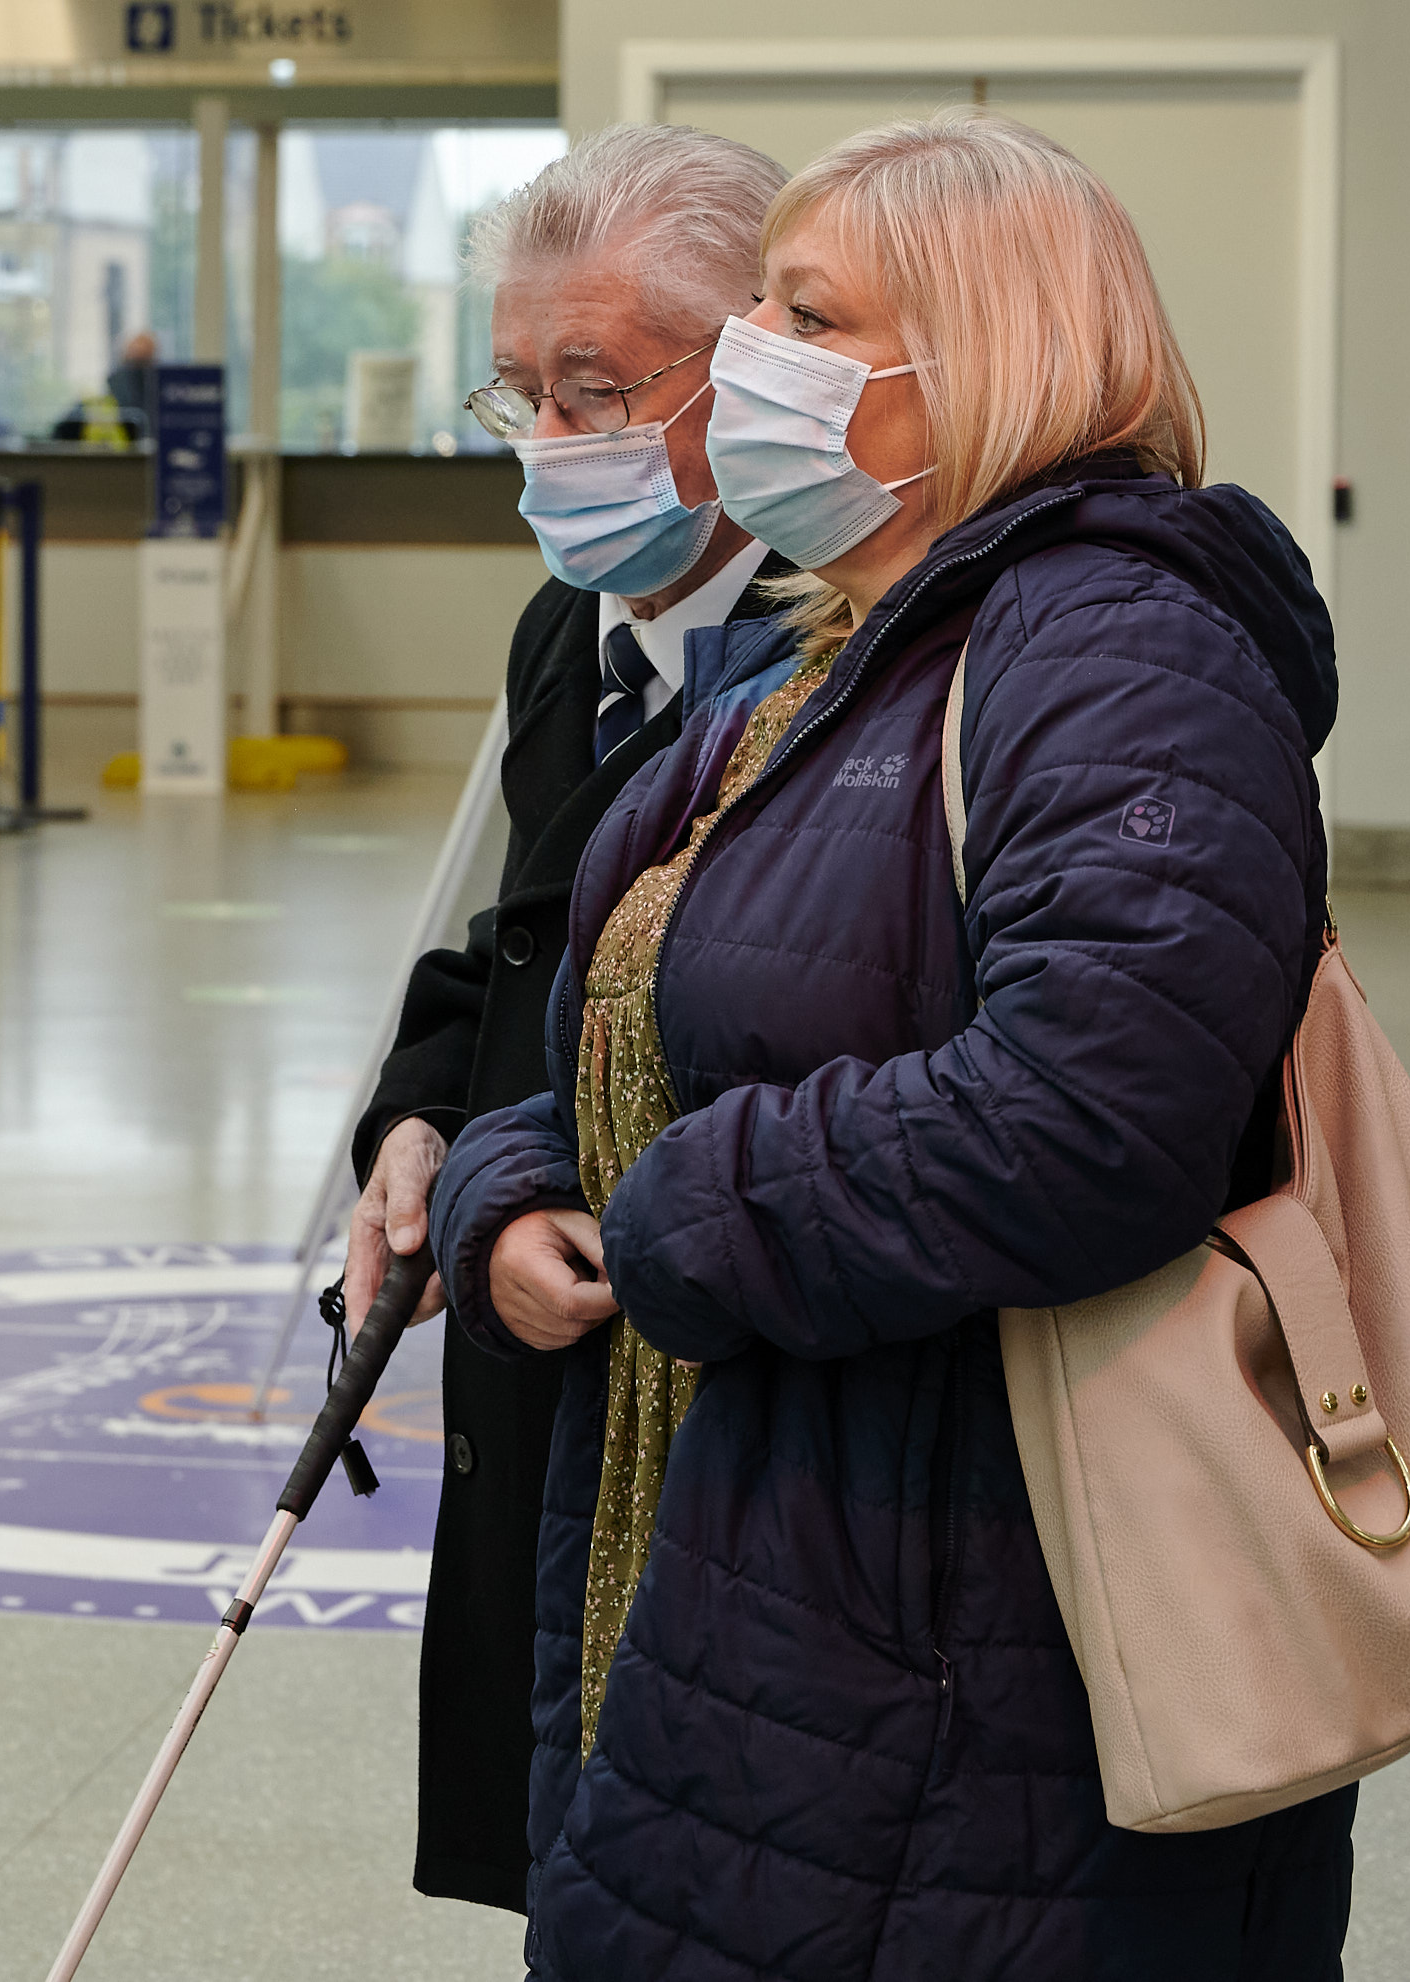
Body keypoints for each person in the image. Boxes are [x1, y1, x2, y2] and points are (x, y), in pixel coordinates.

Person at [430, 111, 1348, 1976]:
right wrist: (512, 1172)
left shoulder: (1115, 649)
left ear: (985, 348)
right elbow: (638, 989)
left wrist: (680, 1217)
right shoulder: (847, 648)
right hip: (775, 1559)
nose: (751, 358)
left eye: (802, 312)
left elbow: (1100, 1107)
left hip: (968, 1616)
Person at [334, 124, 797, 1913]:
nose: (553, 446)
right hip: (532, 1350)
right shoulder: (574, 628)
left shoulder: (846, 660)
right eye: (518, 392)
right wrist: (414, 1125)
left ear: (752, 369)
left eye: (596, 390)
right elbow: (523, 944)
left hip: (712, 1352)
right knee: (572, 1843)